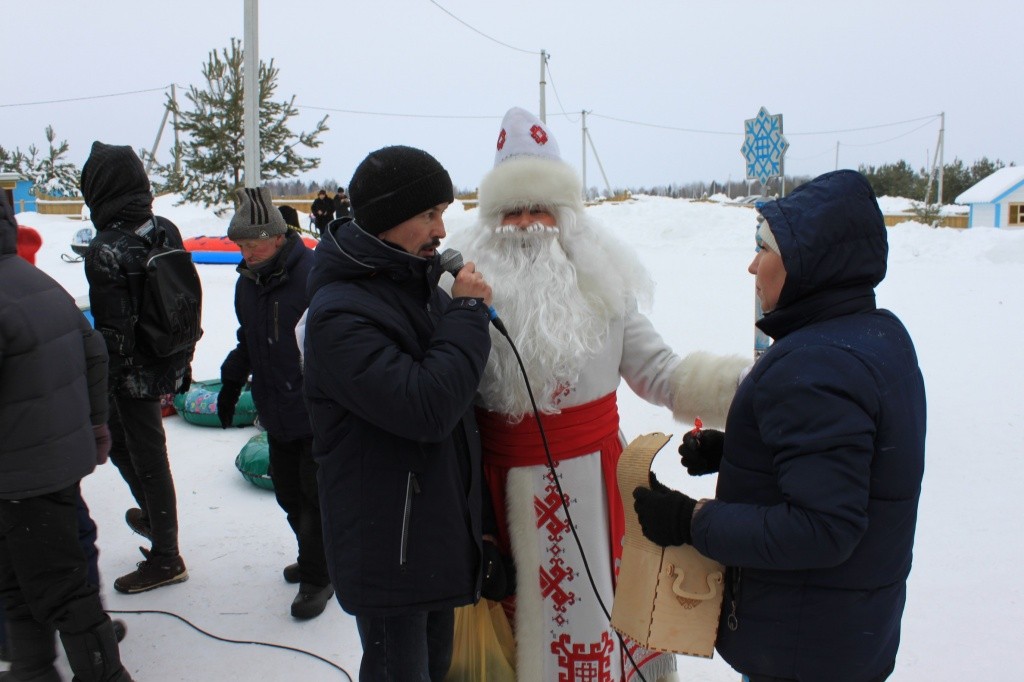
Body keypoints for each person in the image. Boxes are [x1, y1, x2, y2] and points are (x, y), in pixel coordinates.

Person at [446, 107, 749, 682]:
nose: (528, 223)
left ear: (565, 214)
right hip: (493, 492)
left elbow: (660, 371)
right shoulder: (459, 282)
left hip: (596, 487)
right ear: (491, 220)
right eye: (512, 210)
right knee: (502, 643)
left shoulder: (602, 277)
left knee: (596, 633)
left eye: (541, 208)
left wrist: (743, 389)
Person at [633, 169, 927, 682]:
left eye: (764, 248)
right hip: (841, 632)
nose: (752, 265)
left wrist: (691, 522)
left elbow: (823, 528)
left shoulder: (814, 368)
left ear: (807, 264)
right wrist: (742, 451)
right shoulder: (874, 336)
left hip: (802, 648)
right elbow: (851, 460)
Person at [303, 145, 493, 681]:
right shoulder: (340, 313)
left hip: (428, 537)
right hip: (391, 547)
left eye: (443, 212)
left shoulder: (412, 284)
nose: (442, 229)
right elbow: (428, 406)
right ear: (389, 219)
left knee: (432, 668)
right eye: (429, 214)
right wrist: (470, 313)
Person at [0, 191, 133, 681]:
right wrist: (93, 426)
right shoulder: (35, 280)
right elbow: (92, 349)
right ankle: (32, 671)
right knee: (19, 584)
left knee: (63, 593)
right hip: (48, 465)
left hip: (21, 476)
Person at [217, 186, 334, 620]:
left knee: (313, 497)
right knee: (288, 494)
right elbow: (248, 338)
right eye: (239, 246)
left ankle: (319, 576)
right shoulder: (249, 283)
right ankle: (314, 557)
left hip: (315, 412)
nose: (245, 253)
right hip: (276, 410)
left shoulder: (314, 274)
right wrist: (231, 381)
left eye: (251, 244)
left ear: (278, 236)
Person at [81, 141, 192, 594]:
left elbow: (111, 335)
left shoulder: (106, 248)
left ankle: (166, 555)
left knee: (143, 456)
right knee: (141, 452)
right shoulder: (164, 228)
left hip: (131, 373)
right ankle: (154, 519)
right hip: (168, 356)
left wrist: (98, 388)